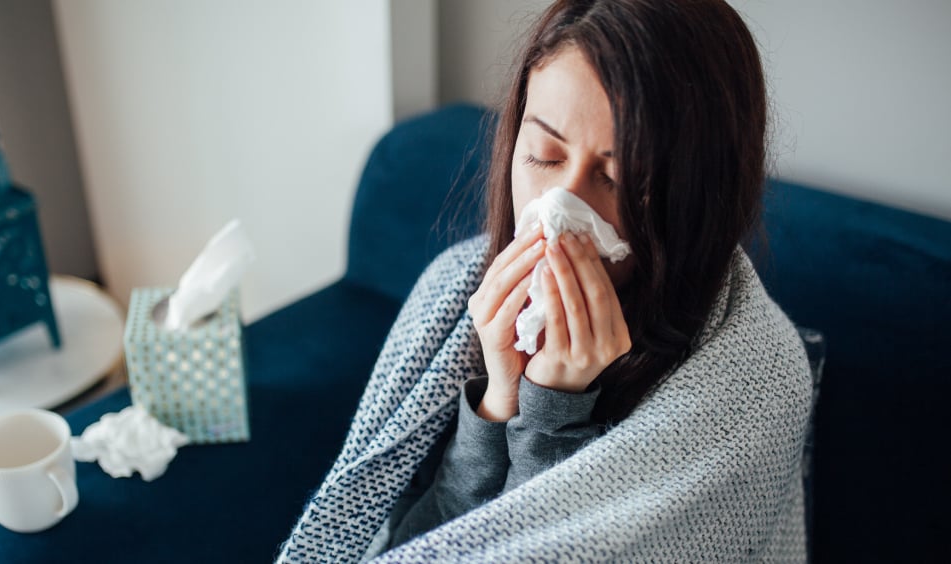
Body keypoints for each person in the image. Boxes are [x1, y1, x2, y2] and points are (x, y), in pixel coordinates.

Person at [279, 1, 812, 561]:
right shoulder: (456, 287)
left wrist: (552, 412)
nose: (560, 208)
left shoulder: (758, 384)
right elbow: (414, 547)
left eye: (618, 179)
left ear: (697, 200)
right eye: (543, 155)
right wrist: (498, 402)